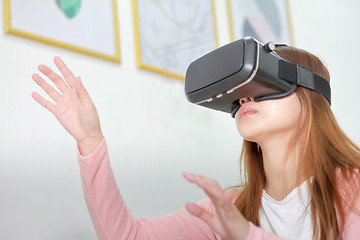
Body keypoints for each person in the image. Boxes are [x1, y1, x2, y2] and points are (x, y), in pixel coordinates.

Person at [32, 45, 360, 240]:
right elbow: (127, 236)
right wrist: (91, 141)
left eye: (264, 81)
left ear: (309, 95)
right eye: (240, 90)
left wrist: (245, 236)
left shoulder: (353, 189)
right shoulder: (229, 209)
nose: (245, 96)